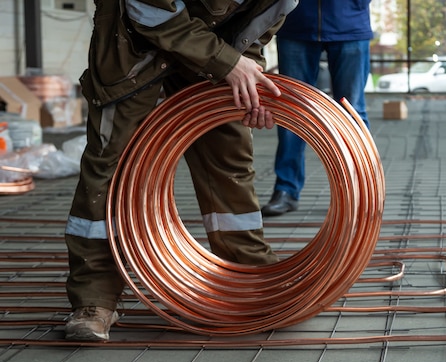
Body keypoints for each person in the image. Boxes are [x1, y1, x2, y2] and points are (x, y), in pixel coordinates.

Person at [64, 0, 298, 341]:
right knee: (110, 169)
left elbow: (253, 35)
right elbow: (147, 10)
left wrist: (251, 82)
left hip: (210, 54)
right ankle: (94, 300)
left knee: (228, 156)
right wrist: (228, 62)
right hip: (132, 47)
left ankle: (247, 276)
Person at [261, 0, 373, 216]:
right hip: (297, 23)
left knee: (353, 112)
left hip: (350, 22)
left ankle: (360, 191)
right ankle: (286, 190)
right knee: (292, 112)